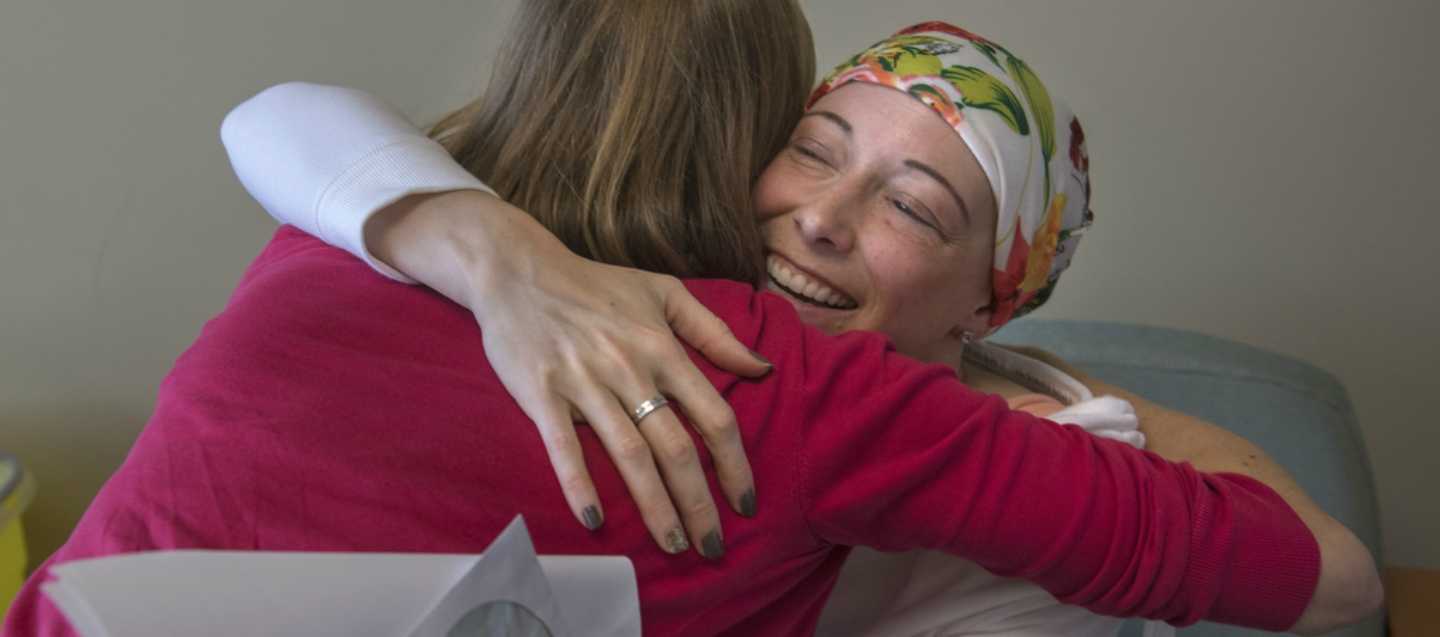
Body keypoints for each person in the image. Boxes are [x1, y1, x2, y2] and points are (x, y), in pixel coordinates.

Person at [4, 6, 1377, 637]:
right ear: (740, 150)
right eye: (814, 144)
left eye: (915, 201)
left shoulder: (315, 250)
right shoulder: (778, 379)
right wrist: (497, 259)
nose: (826, 215)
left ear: (995, 292)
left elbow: (1324, 579)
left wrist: (1052, 399)